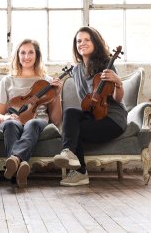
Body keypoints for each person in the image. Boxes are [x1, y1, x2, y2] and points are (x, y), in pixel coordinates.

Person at [53, 26, 127, 186]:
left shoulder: (107, 64)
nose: (82, 43)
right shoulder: (77, 70)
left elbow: (117, 99)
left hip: (112, 119)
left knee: (74, 129)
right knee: (71, 113)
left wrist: (118, 82)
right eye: (79, 41)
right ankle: (68, 153)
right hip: (94, 115)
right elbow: (86, 102)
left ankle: (80, 173)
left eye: (87, 40)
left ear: (95, 43)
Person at [0, 39, 63, 188]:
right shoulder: (7, 81)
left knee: (32, 122)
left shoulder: (47, 81)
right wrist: (6, 117)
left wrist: (57, 95)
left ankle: (15, 160)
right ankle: (19, 170)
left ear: (37, 55)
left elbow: (56, 120)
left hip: (38, 121)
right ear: (17, 56)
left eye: (31, 52)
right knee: (11, 124)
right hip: (14, 120)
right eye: (22, 52)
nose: (26, 56)